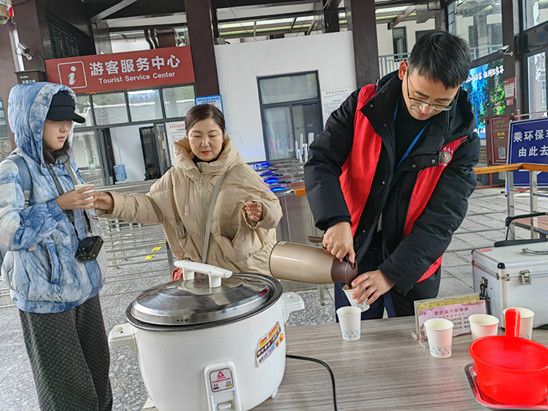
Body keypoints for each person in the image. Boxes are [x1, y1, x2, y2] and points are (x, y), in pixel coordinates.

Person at [304, 31, 480, 319]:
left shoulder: (462, 140)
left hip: (413, 258)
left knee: (412, 344)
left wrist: (391, 274)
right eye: (419, 96)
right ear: (403, 71)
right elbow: (320, 160)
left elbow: (441, 221)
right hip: (356, 246)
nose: (426, 109)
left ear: (458, 88)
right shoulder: (363, 104)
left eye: (440, 103)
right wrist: (335, 219)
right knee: (356, 338)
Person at [0, 83, 112, 410]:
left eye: (69, 120)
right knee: (67, 391)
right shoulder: (12, 169)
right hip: (45, 299)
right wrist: (56, 206)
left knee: (98, 375)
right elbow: (8, 232)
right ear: (31, 123)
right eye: (55, 120)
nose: (65, 128)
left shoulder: (64, 163)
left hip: (84, 288)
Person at [94, 104, 282, 275]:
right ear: (187, 137)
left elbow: (275, 209)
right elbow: (151, 206)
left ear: (223, 135)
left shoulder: (241, 173)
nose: (205, 143)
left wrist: (262, 211)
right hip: (200, 276)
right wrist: (113, 202)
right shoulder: (175, 177)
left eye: (212, 135)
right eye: (197, 135)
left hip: (243, 274)